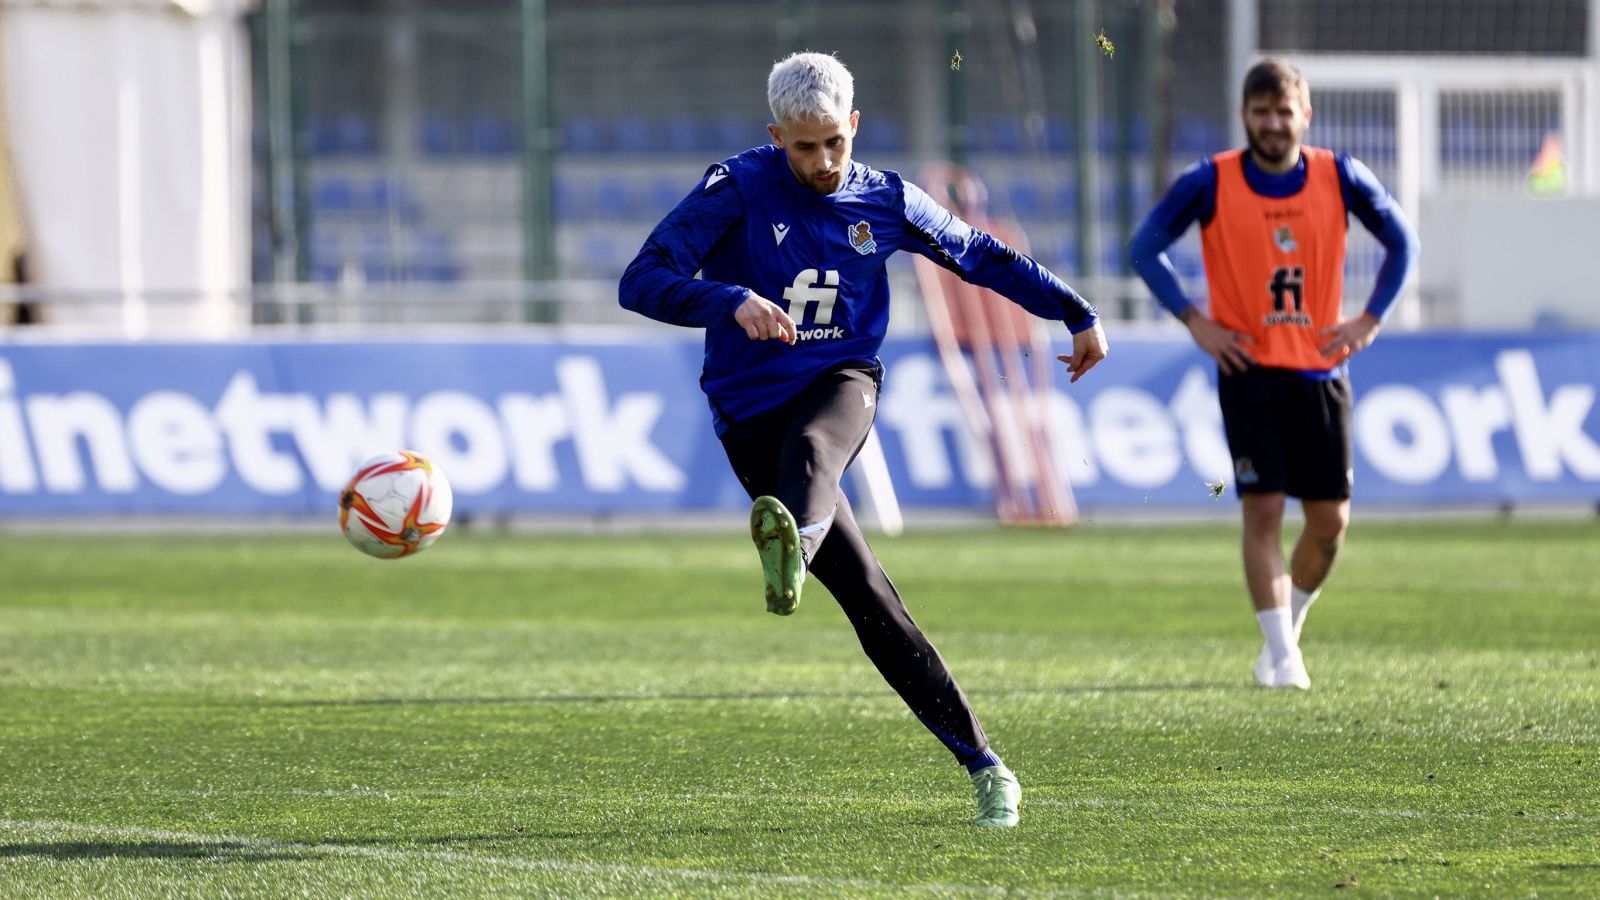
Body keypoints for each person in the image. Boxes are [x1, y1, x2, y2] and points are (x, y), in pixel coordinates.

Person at [620, 51, 1107, 826]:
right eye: (802, 147)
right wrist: (727, 299)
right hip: (746, 409)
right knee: (871, 596)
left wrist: (1073, 309)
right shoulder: (736, 187)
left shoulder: (887, 199)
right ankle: (986, 763)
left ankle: (793, 546)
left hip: (843, 377)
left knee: (816, 453)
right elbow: (640, 278)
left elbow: (979, 254)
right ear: (775, 135)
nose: (820, 162)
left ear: (853, 125)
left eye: (833, 144)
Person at [1129, 57, 1419, 689]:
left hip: (1320, 372)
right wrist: (1194, 320)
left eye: (1284, 111)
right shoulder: (1210, 181)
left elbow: (1404, 243)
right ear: (1244, 116)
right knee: (1261, 513)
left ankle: (1286, 635)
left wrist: (1369, 320)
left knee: (1330, 524)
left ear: (1303, 115)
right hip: (1249, 372)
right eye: (1261, 112)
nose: (1273, 123)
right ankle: (1283, 658)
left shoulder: (1340, 176)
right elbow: (1143, 247)